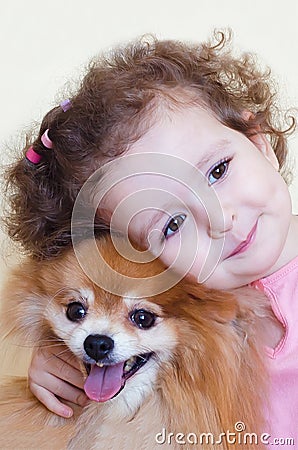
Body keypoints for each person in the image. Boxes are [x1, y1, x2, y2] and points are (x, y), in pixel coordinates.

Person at [3, 31, 298, 440]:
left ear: (258, 141)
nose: (219, 220)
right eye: (172, 224)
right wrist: (62, 359)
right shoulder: (179, 311)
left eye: (217, 171)